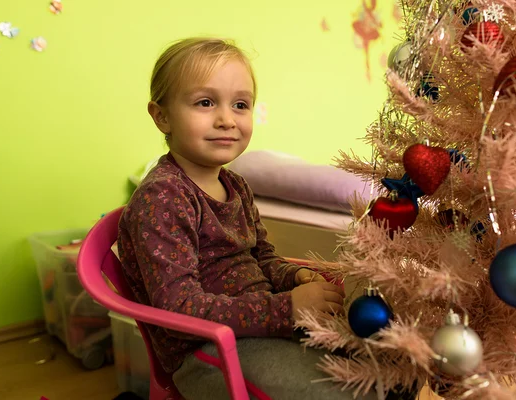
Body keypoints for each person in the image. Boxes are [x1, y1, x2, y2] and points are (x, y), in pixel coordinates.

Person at [117, 37, 379, 400]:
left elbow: (262, 259)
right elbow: (179, 308)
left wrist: (293, 276)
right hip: (204, 350)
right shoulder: (163, 197)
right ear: (162, 116)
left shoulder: (236, 184)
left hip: (261, 323)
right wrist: (286, 310)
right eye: (205, 103)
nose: (227, 119)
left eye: (240, 104)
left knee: (382, 363)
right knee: (342, 392)